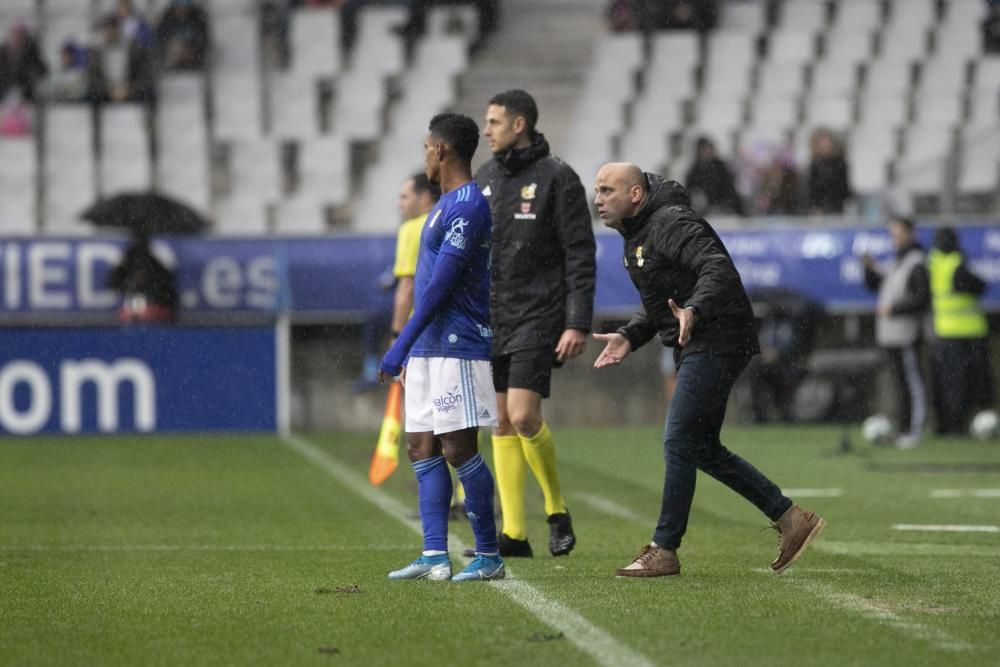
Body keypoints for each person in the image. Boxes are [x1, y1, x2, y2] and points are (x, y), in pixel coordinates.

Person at [591, 162, 825, 577]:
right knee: (700, 447)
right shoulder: (637, 237)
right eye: (597, 190)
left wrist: (696, 308)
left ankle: (664, 548)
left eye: (608, 191)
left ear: (635, 195)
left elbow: (716, 266)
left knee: (679, 437)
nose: (598, 199)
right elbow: (659, 304)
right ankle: (791, 519)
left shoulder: (670, 222)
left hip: (718, 336)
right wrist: (629, 335)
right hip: (700, 339)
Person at [378, 113, 504, 582]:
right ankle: (434, 554)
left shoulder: (469, 206)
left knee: (457, 448)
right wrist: (412, 349)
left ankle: (489, 555)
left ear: (442, 150)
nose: (425, 155)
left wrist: (398, 345)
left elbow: (439, 289)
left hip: (457, 346)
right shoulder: (445, 205)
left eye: (428, 146)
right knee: (420, 446)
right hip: (429, 349)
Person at [474, 89, 596, 558]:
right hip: (493, 318)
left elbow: (579, 254)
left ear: (519, 125)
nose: (487, 130)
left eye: (495, 122)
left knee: (523, 416)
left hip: (538, 315)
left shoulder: (558, 178)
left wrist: (576, 321)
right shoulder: (484, 178)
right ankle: (514, 535)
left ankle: (556, 509)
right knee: (500, 424)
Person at [862, 216, 930, 449]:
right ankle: (904, 429)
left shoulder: (916, 263)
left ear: (910, 234)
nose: (895, 239)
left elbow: (922, 299)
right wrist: (868, 269)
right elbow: (875, 285)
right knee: (901, 385)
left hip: (908, 334)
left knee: (912, 384)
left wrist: (894, 309)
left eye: (899, 233)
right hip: (891, 335)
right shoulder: (895, 262)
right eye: (893, 234)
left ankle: (913, 431)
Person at [927, 226, 994, 435]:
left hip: (945, 332)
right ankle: (961, 426)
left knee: (950, 383)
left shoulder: (933, 262)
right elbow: (978, 286)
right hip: (966, 332)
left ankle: (949, 425)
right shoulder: (955, 264)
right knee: (969, 383)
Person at [107, 235, 179, 324]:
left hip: (154, 308)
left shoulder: (157, 271)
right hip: (133, 306)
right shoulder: (127, 267)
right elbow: (112, 283)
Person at [684, 136, 744, 216]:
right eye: (704, 149)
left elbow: (730, 189)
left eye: (709, 149)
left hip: (725, 208)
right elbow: (691, 193)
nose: (707, 152)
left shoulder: (721, 167)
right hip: (704, 211)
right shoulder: (694, 172)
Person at [806, 128, 851, 215]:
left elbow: (843, 188)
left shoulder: (840, 162)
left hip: (837, 207)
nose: (824, 145)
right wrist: (815, 206)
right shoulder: (814, 164)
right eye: (821, 142)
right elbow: (812, 189)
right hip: (819, 209)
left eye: (826, 141)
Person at [156, 0, 210, 71]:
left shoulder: (198, 18)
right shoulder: (166, 19)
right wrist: (170, 47)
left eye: (184, 7)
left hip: (195, 60)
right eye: (179, 7)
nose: (181, 10)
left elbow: (203, 39)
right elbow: (160, 38)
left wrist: (191, 50)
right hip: (170, 60)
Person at [0, 23, 48, 104]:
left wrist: (32, 75)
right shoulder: (3, 52)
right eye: (14, 35)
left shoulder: (32, 51)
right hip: (5, 93)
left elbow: (42, 69)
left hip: (26, 94)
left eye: (20, 35)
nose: (17, 38)